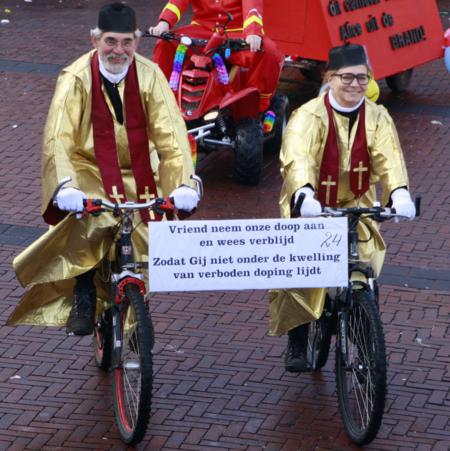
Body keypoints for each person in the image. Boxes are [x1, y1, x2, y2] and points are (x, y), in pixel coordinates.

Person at [8, 3, 200, 336]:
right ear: (95, 40)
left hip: (140, 169)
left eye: (126, 42)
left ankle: (135, 318)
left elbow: (171, 135)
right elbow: (58, 136)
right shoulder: (75, 77)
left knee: (148, 231)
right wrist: (65, 186)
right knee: (91, 218)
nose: (118, 50)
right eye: (110, 41)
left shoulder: (151, 75)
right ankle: (83, 289)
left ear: (136, 42)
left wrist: (182, 184)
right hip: (89, 167)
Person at [269, 43, 416, 373]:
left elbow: (389, 157)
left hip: (355, 201)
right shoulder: (309, 115)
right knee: (300, 271)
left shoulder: (377, 116)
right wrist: (304, 193)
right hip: (312, 202)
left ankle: (365, 341)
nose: (355, 85)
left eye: (362, 78)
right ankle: (298, 338)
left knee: (364, 269)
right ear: (330, 78)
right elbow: (298, 156)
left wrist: (399, 193)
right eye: (346, 77)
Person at [149, 0, 284, 114]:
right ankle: (163, 100)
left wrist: (253, 32)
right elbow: (178, 2)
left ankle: (256, 106)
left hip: (237, 34)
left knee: (269, 51)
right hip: (202, 30)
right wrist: (165, 22)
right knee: (164, 43)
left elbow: (252, 5)